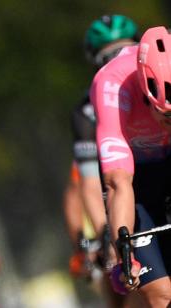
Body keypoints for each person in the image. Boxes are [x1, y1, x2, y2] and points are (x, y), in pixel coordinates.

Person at [63, 14, 141, 307]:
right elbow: (83, 188)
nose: (117, 61)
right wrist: (100, 233)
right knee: (117, 284)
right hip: (117, 196)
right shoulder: (86, 112)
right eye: (108, 55)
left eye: (125, 51)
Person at [91, 26, 171, 307]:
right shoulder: (112, 84)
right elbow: (117, 182)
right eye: (168, 116)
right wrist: (123, 250)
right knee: (161, 294)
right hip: (137, 176)